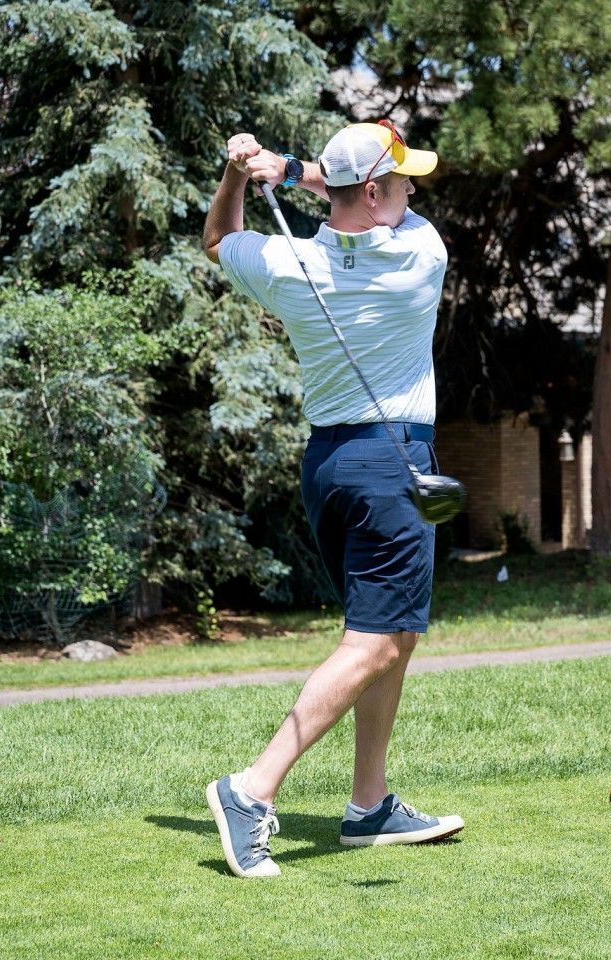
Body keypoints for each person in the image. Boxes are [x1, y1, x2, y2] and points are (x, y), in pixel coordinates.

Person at [200, 121, 463, 879]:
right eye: (404, 180)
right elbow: (365, 200)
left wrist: (241, 176)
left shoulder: (288, 264)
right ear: (379, 193)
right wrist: (289, 171)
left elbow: (219, 240)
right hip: (393, 465)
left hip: (330, 466)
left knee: (393, 634)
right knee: (375, 642)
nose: (414, 189)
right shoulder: (421, 253)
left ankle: (368, 804)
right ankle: (250, 789)